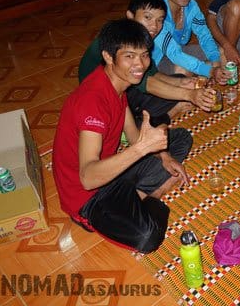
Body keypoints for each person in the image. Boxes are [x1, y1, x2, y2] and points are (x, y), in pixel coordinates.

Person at [54, 18, 192, 253]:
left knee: (179, 139)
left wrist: (164, 156)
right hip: (88, 194)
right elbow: (87, 177)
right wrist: (142, 148)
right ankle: (152, 195)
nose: (140, 64)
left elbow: (133, 133)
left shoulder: (117, 84)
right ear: (108, 56)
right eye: (129, 56)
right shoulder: (92, 102)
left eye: (144, 55)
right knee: (148, 237)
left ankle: (134, 195)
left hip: (112, 172)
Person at [79, 0, 215, 127]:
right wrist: (189, 95)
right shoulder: (125, 41)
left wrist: (181, 82)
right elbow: (148, 83)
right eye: (147, 18)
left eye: (159, 20)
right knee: (146, 118)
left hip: (128, 85)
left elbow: (152, 73)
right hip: (101, 99)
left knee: (179, 79)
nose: (154, 26)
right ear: (130, 16)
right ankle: (167, 113)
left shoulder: (142, 40)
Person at [152, 0, 229, 84]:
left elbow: (204, 35)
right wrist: (209, 71)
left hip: (179, 50)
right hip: (158, 60)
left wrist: (216, 62)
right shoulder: (156, 12)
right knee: (182, 70)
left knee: (220, 52)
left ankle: (216, 88)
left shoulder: (191, 5)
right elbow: (174, 53)